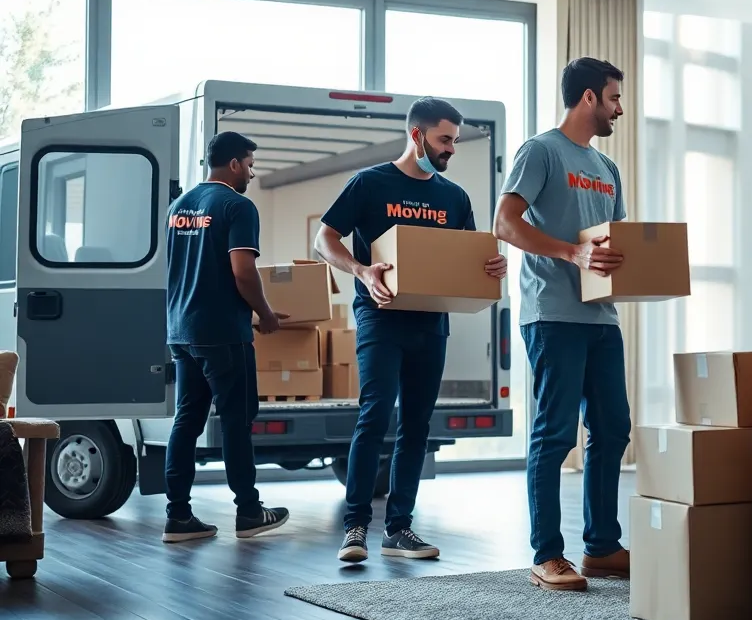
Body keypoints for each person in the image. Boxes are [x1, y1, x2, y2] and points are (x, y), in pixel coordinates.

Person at [316, 96, 507, 564]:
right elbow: (323, 239)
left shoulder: (454, 197)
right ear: (417, 135)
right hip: (380, 316)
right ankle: (356, 525)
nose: (451, 150)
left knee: (417, 425)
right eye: (445, 140)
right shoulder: (369, 183)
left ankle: (399, 529)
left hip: (431, 322)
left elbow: (466, 258)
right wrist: (362, 271)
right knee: (376, 414)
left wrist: (491, 266)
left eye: (455, 142)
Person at [493, 57, 631, 592]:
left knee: (612, 428)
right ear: (590, 98)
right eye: (614, 97)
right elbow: (506, 222)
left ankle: (601, 548)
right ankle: (547, 554)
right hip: (552, 315)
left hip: (602, 317)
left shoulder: (608, 169)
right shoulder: (541, 150)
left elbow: (615, 239)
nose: (620, 107)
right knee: (553, 436)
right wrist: (572, 253)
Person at [163, 131, 290, 543]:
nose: (252, 174)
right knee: (237, 421)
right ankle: (250, 512)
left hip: (182, 331)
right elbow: (242, 271)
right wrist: (266, 314)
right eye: (250, 164)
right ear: (234, 163)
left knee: (187, 421)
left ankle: (178, 517)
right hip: (222, 333)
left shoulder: (179, 207)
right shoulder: (237, 206)